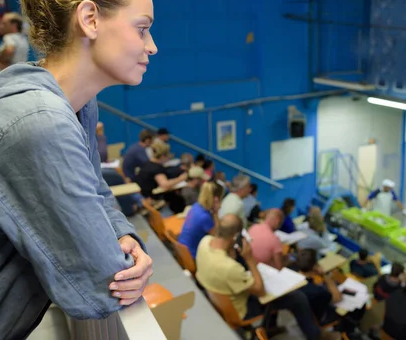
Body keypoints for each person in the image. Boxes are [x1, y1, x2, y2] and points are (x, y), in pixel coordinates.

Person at [0, 0, 156, 337]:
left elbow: (95, 189)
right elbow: (100, 286)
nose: (151, 45)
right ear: (90, 19)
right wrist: (128, 261)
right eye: (142, 28)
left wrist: (124, 233)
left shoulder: (73, 103)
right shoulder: (38, 122)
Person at [195, 214, 340, 340]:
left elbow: (228, 263)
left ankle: (270, 326)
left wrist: (233, 252)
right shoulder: (230, 268)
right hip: (240, 309)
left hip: (219, 296)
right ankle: (316, 336)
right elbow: (260, 290)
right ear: (235, 236)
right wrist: (250, 258)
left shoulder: (205, 242)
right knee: (297, 298)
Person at [135, 141, 188, 213]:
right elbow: (165, 185)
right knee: (178, 200)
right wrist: (181, 178)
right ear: (163, 156)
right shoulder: (157, 169)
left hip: (144, 196)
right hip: (153, 199)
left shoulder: (147, 164)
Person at [0, 11, 30, 90]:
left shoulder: (9, 37)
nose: (0, 26)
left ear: (14, 25)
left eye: (4, 24)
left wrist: (0, 60)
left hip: (5, 81)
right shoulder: (23, 39)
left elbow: (9, 50)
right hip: (18, 77)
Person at [178, 181, 223, 258]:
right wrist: (216, 212)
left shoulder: (196, 206)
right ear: (216, 199)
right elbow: (218, 236)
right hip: (192, 255)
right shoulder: (205, 217)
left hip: (182, 247)